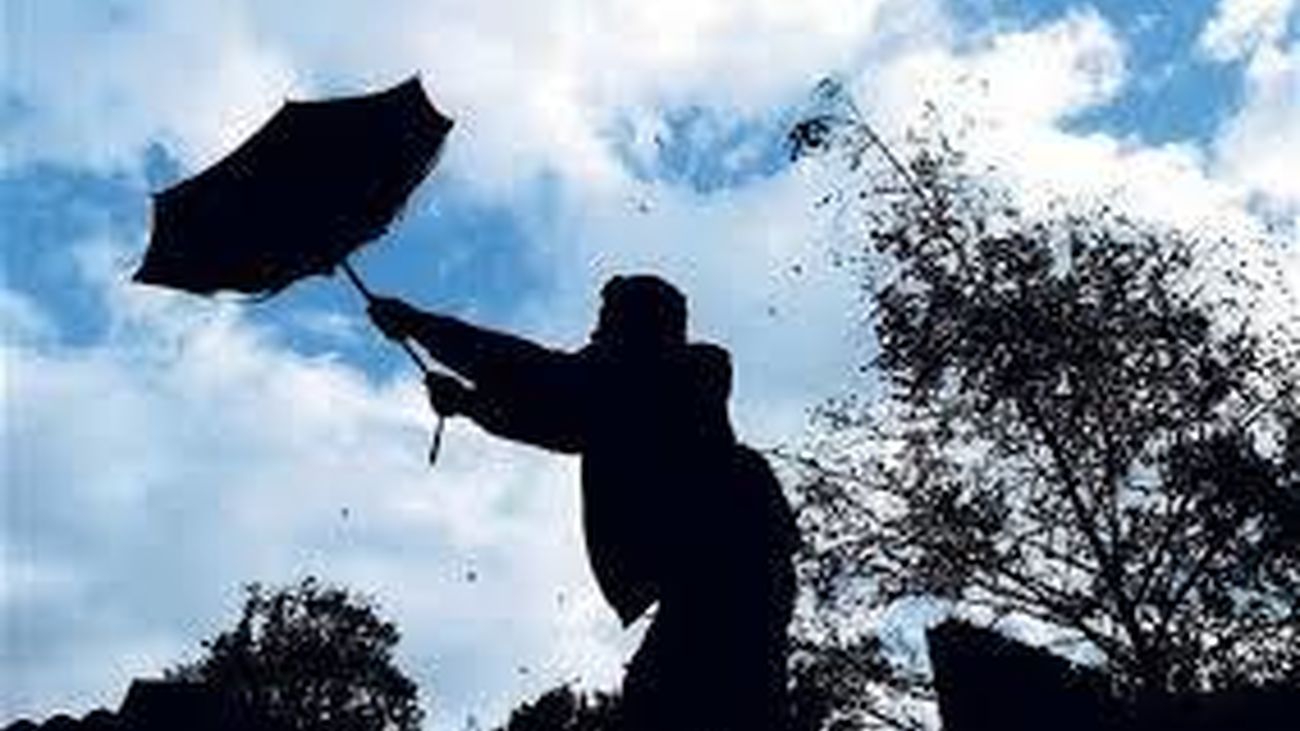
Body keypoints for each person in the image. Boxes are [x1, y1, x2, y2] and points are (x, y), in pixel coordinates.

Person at [369, 274, 798, 730]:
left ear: (638, 328)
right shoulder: (654, 388)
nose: (596, 334)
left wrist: (422, 328)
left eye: (607, 323)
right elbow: (564, 419)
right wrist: (470, 405)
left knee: (669, 703)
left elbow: (547, 380)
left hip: (727, 577)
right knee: (691, 701)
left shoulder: (667, 378)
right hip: (725, 578)